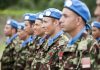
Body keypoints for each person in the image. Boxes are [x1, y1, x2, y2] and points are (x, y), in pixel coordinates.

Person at [60, 0, 97, 69]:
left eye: (65, 16)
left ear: (78, 20)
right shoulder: (68, 42)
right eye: (61, 16)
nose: (60, 20)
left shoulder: (88, 44)